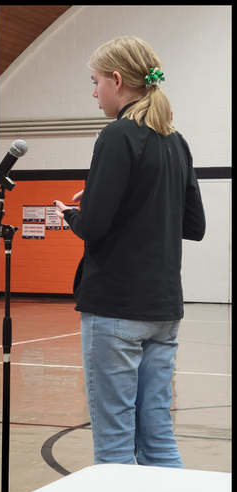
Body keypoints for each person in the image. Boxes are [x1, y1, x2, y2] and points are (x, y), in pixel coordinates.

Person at [52, 36, 205, 467]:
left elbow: (94, 227)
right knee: (159, 441)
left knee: (115, 446)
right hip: (164, 310)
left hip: (117, 308)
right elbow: (194, 225)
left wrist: (69, 215)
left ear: (117, 81)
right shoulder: (175, 141)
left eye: (96, 81)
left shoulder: (117, 135)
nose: (93, 91)